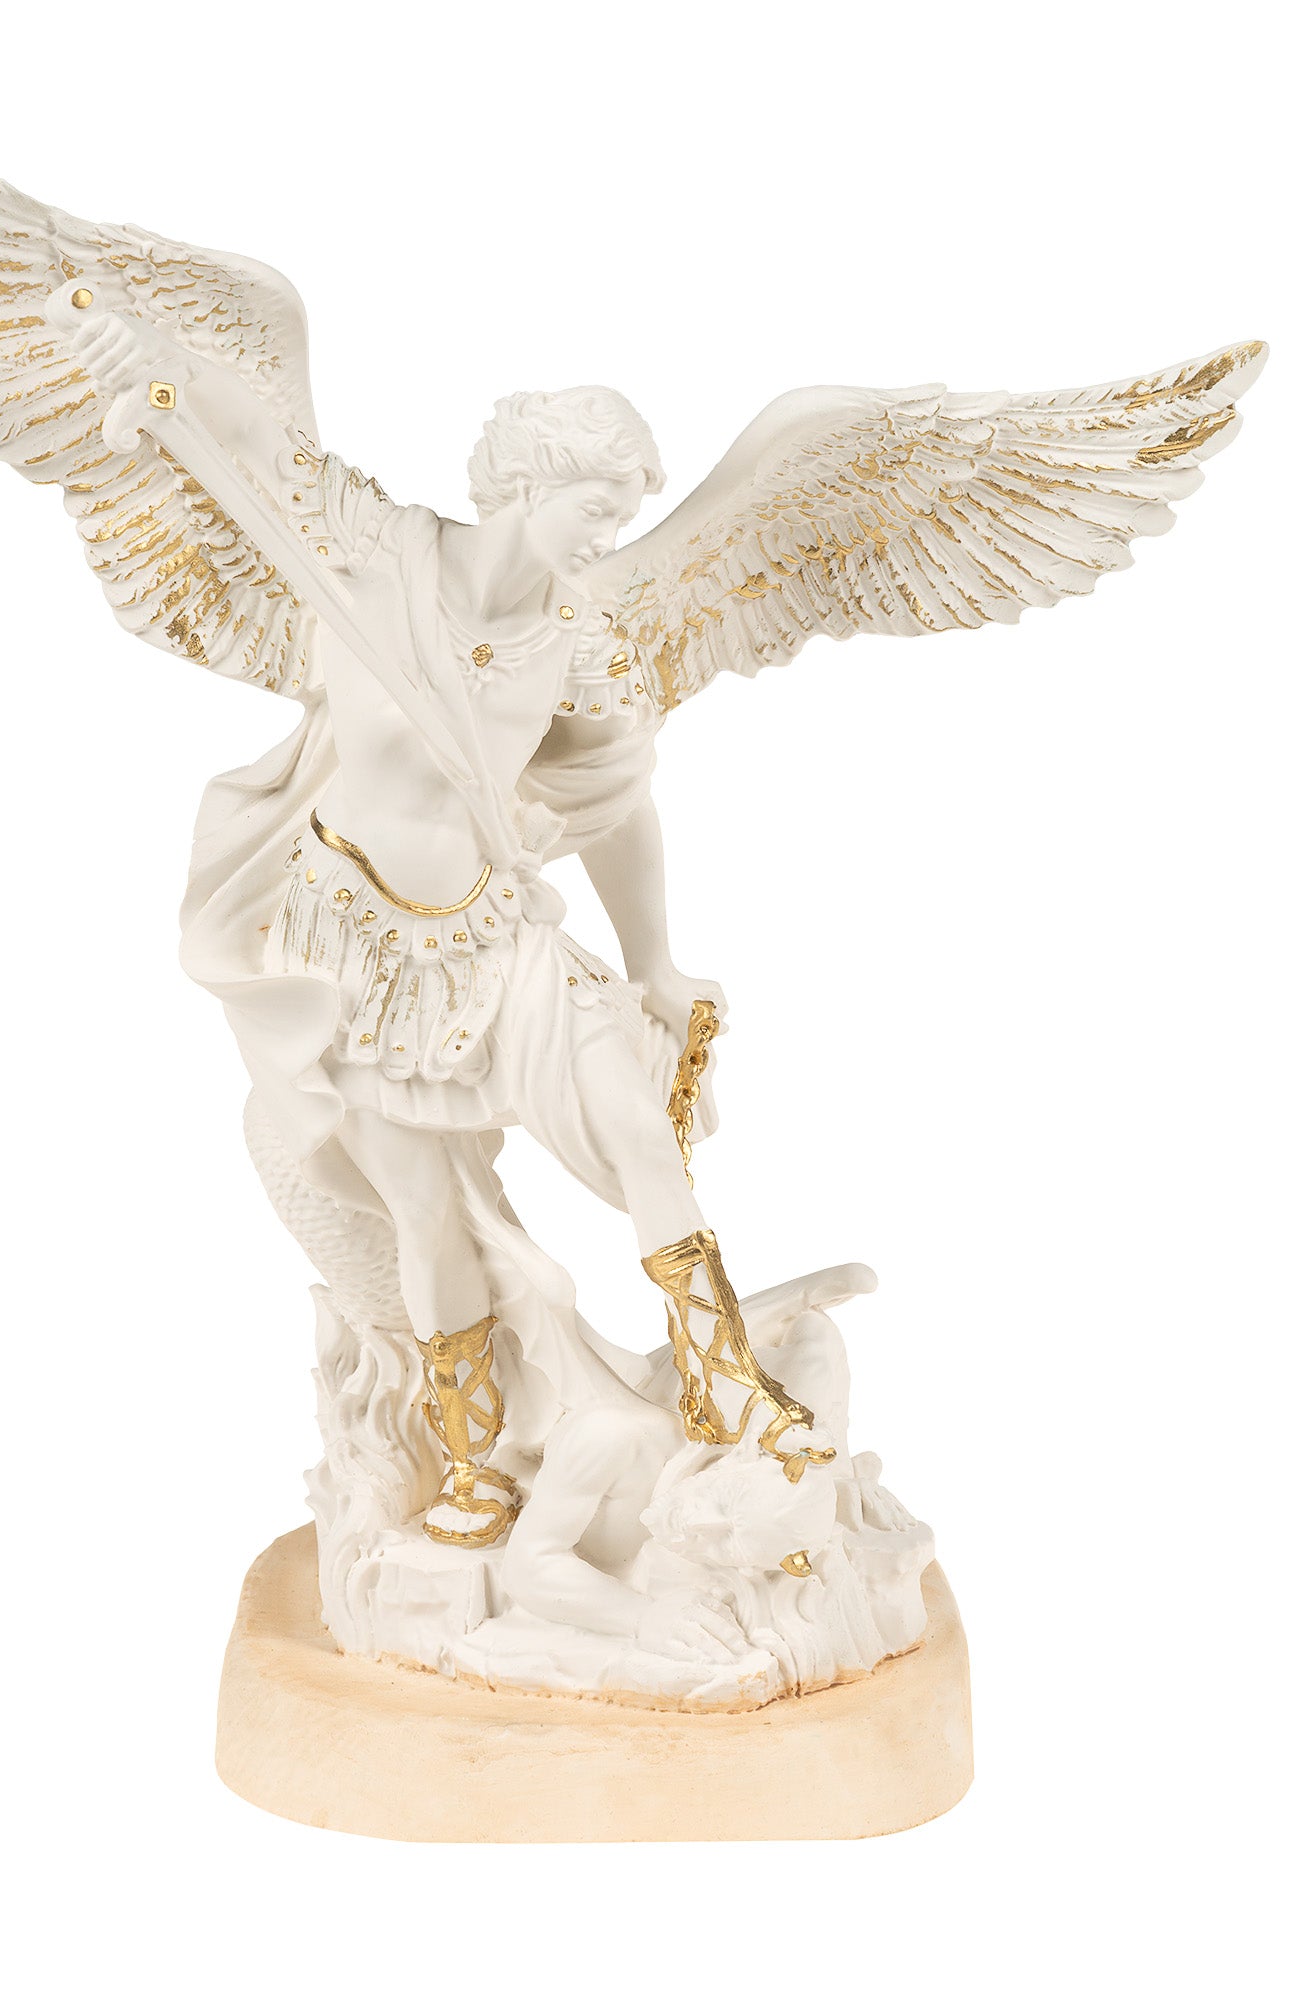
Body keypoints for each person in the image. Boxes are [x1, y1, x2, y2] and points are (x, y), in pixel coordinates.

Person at [73, 313, 834, 1544]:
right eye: (595, 505)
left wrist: (650, 957)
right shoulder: (370, 554)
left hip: (489, 933)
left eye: (622, 510)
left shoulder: (578, 639)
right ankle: (473, 1457)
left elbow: (613, 805)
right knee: (423, 1213)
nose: (609, 532)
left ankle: (723, 1377)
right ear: (527, 484)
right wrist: (153, 368)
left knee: (639, 1123)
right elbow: (252, 441)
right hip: (350, 948)